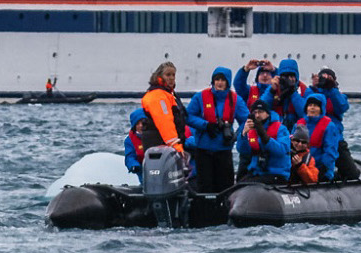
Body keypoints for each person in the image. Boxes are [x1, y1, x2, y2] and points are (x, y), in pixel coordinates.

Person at [185, 66, 246, 195]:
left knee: (225, 186)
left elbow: (246, 121)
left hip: (224, 150)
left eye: (223, 80)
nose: (219, 83)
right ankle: (205, 212)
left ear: (227, 82)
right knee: (205, 186)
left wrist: (236, 135)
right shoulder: (200, 97)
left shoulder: (235, 100)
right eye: (217, 79)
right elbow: (188, 116)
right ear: (213, 81)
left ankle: (223, 213)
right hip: (203, 150)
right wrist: (205, 125)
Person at [123, 62, 189, 177]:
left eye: (173, 75)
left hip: (164, 143)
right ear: (159, 77)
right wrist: (175, 145)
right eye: (168, 75)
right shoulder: (158, 96)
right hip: (159, 142)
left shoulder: (168, 94)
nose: (172, 78)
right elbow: (164, 122)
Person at [292, 94, 342, 183]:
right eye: (310, 105)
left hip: (318, 168)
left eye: (315, 106)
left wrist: (325, 170)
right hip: (299, 164)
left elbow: (330, 151)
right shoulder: (298, 124)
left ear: (321, 109)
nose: (312, 108)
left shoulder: (329, 126)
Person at [240, 104, 291, 184]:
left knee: (249, 185)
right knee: (239, 186)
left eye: (260, 112)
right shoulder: (251, 130)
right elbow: (243, 151)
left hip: (276, 173)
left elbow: (282, 150)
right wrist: (243, 134)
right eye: (255, 112)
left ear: (267, 113)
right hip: (257, 172)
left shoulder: (281, 129)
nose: (257, 115)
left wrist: (265, 138)